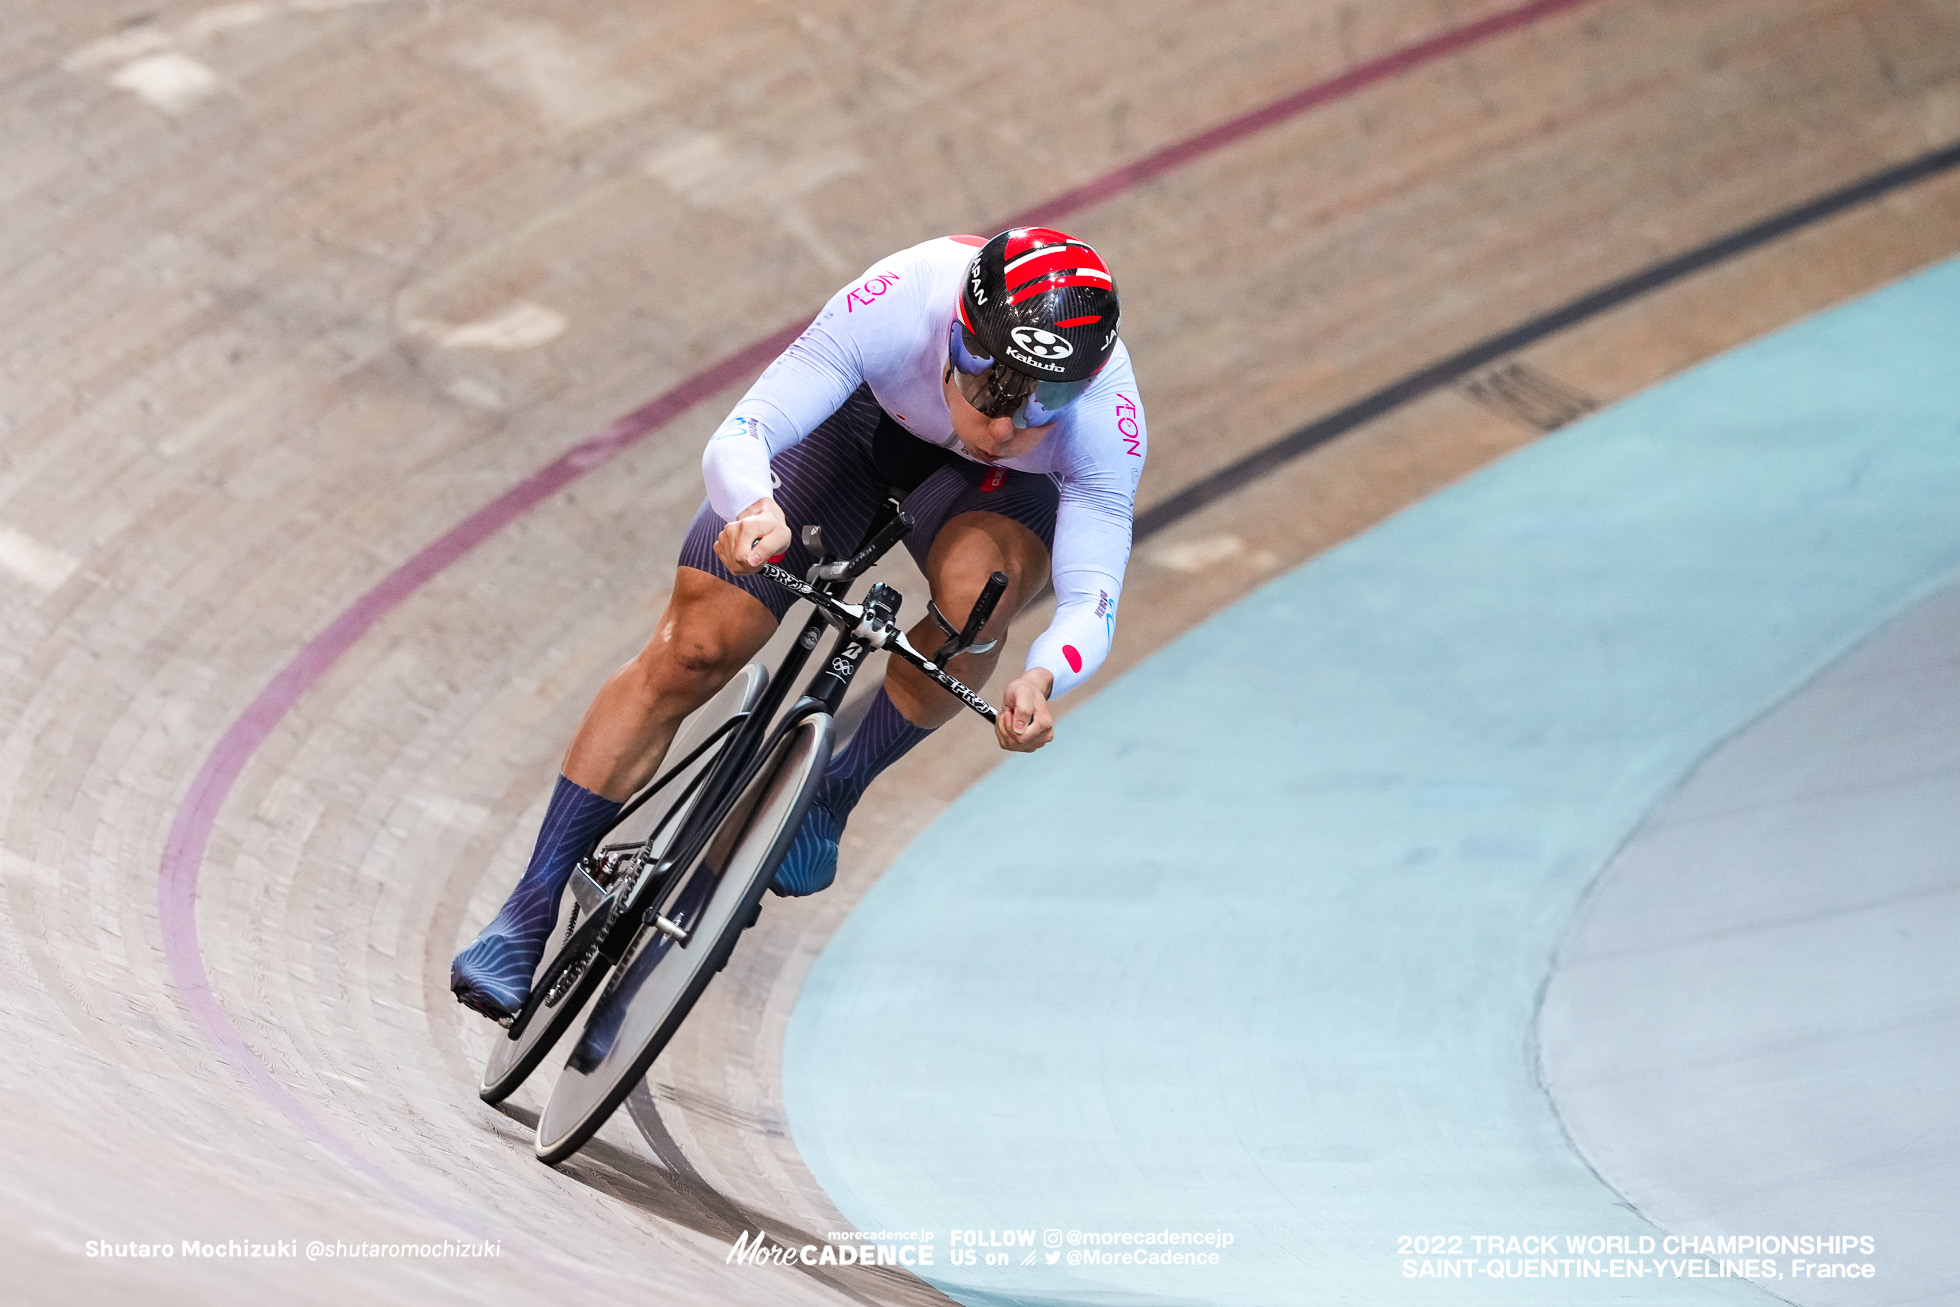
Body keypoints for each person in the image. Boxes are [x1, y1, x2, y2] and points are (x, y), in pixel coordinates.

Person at [451, 227, 1148, 1020]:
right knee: (697, 647)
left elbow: (1092, 596)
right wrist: (755, 508)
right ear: (961, 335)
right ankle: (530, 905)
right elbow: (743, 435)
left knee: (979, 602)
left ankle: (833, 790)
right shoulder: (900, 299)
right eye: (994, 391)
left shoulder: (1107, 419)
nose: (1004, 427)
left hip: (990, 498)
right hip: (863, 429)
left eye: (1043, 405)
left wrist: (1045, 671)